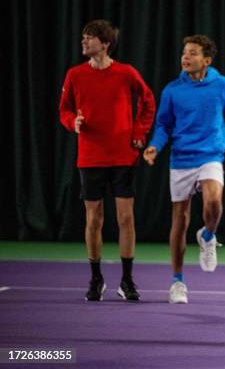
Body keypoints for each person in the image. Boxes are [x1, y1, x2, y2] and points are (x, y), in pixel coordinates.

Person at [59, 19, 156, 302]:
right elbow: (64, 110)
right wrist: (72, 122)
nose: (83, 42)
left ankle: (126, 280)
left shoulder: (126, 73)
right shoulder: (75, 75)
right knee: (94, 220)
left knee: (126, 218)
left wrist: (138, 132)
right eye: (83, 37)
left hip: (123, 157)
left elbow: (147, 100)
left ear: (105, 43)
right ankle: (96, 279)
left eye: (89, 38)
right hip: (89, 158)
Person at [143, 35, 225, 304]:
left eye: (192, 53)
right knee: (180, 220)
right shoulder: (172, 90)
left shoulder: (223, 85)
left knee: (213, 203)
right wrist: (155, 146)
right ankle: (177, 282)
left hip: (211, 154)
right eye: (184, 53)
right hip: (181, 159)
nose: (185, 57)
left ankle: (208, 236)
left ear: (207, 60)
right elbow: (163, 125)